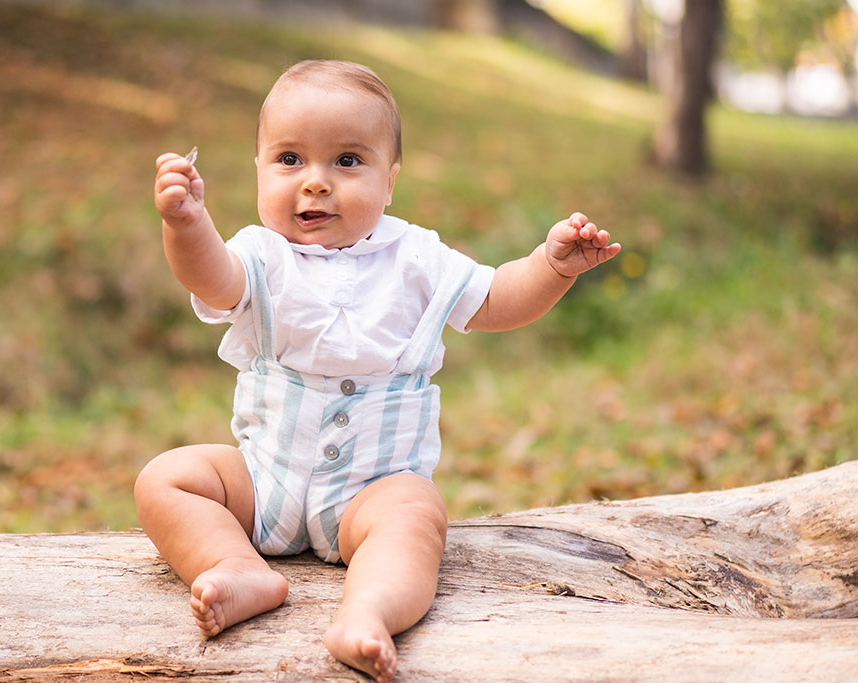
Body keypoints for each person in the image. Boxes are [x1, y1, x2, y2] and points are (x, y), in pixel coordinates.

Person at [135, 59, 620, 683]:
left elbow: (497, 300)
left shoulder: (417, 257)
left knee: (415, 515)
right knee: (166, 478)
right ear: (257, 169)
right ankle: (235, 565)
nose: (315, 183)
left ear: (389, 181)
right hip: (264, 481)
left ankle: (366, 612)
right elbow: (213, 281)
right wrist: (187, 224)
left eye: (346, 161)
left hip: (372, 488)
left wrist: (550, 269)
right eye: (289, 160)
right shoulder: (260, 252)